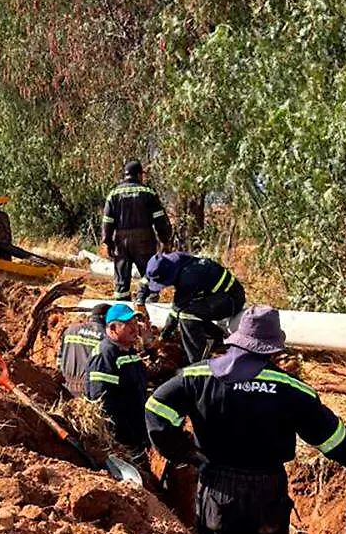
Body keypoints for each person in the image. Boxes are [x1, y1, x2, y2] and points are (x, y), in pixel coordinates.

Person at [143, 306, 346, 534]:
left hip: (215, 489)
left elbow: (155, 410)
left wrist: (186, 452)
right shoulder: (290, 389)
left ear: (237, 339)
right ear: (272, 347)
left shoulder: (196, 377)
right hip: (265, 494)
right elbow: (331, 438)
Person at [137, 251, 245, 363]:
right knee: (190, 312)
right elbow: (147, 278)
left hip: (230, 299)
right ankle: (215, 336)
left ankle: (195, 360)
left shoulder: (188, 276)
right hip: (212, 295)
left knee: (186, 315)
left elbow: (176, 310)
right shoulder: (167, 262)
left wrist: (163, 337)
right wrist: (139, 301)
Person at [85, 304, 150, 471]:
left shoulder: (129, 352)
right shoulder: (105, 355)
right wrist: (118, 439)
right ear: (113, 328)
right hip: (123, 438)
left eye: (135, 323)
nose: (135, 329)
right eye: (128, 325)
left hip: (137, 430)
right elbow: (100, 401)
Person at [101, 161, 172, 301]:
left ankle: (123, 306)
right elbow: (159, 219)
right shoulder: (148, 193)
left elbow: (107, 221)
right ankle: (147, 302)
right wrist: (164, 240)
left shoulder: (113, 194)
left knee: (121, 281)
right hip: (144, 241)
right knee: (149, 273)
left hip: (121, 242)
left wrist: (108, 242)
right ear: (139, 175)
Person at [56, 303, 111, 396]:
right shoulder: (107, 336)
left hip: (66, 386)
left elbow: (59, 360)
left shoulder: (70, 330)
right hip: (90, 388)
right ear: (106, 318)